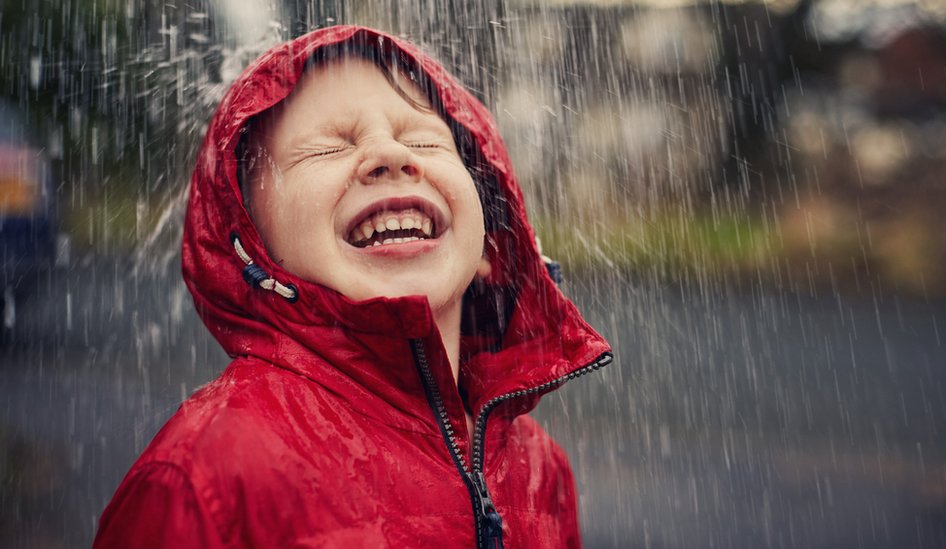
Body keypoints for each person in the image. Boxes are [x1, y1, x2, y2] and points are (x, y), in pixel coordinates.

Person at [94, 26, 611, 548]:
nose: (389, 153)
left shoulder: (541, 469)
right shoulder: (207, 480)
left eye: (424, 140)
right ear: (252, 245)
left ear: (489, 246)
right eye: (327, 148)